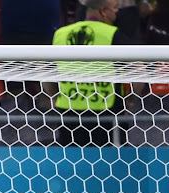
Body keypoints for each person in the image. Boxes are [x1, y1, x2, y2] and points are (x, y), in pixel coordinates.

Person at [49, 0, 142, 146]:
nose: (117, 12)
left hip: (69, 114)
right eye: (115, 8)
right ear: (103, 11)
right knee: (110, 164)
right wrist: (129, 99)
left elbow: (45, 71)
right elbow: (139, 69)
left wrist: (54, 97)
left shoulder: (61, 34)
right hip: (108, 117)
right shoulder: (112, 35)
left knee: (72, 163)